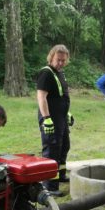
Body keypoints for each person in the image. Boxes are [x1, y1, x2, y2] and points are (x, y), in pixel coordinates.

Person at [37, 44, 73, 197]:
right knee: (52, 150)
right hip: (51, 119)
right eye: (58, 60)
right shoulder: (46, 73)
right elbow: (41, 97)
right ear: (51, 57)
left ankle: (61, 175)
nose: (60, 63)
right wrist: (46, 118)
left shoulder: (60, 73)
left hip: (61, 118)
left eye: (63, 60)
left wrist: (67, 113)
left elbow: (60, 97)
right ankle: (50, 186)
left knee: (64, 146)